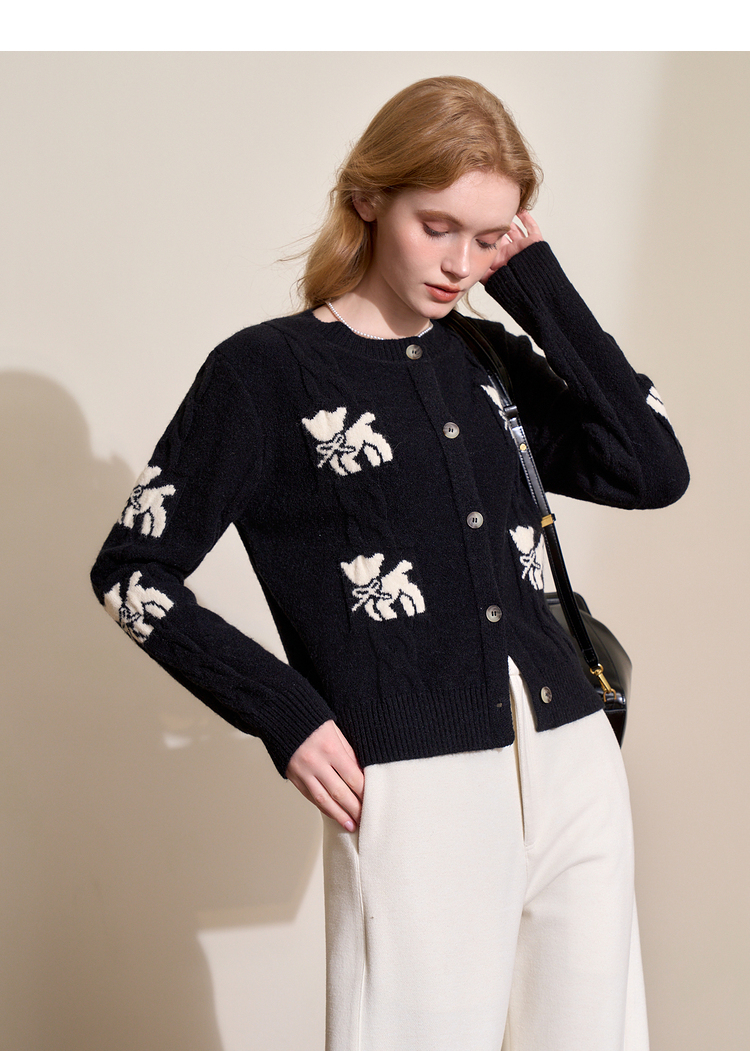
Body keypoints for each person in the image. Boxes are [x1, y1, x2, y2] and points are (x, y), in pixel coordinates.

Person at [91, 75, 689, 1051]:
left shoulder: (489, 358)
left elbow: (653, 466)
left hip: (576, 755)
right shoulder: (267, 372)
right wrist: (285, 714)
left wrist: (536, 286)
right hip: (417, 778)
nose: (460, 263)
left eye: (487, 237)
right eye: (437, 226)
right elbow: (132, 572)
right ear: (368, 197)